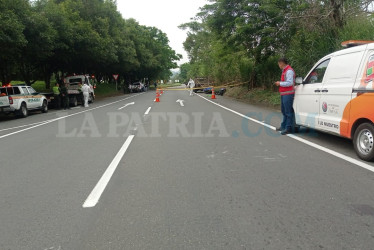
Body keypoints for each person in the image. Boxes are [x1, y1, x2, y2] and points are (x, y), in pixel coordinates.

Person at [275, 57, 296, 135]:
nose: (279, 65)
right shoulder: (284, 71)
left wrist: (280, 83)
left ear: (281, 63)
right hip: (284, 94)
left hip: (288, 94)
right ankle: (283, 126)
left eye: (279, 64)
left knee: (288, 112)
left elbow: (290, 82)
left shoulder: (289, 71)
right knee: (284, 111)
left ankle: (288, 128)